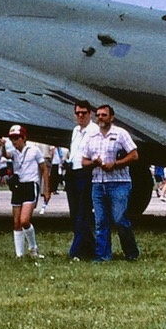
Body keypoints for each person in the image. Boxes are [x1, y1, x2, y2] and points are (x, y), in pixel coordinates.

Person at [81, 104, 140, 262]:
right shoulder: (92, 137)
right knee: (100, 222)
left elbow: (134, 155)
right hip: (98, 183)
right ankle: (102, 256)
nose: (100, 118)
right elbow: (83, 161)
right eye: (98, 115)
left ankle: (131, 252)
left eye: (104, 115)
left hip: (118, 182)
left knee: (119, 219)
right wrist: (94, 162)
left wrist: (116, 164)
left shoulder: (120, 134)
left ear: (111, 117)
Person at [3, 124, 47, 259]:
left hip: (30, 185)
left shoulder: (34, 150)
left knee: (24, 220)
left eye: (17, 138)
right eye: (12, 139)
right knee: (16, 222)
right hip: (18, 186)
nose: (14, 141)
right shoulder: (14, 153)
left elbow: (44, 168)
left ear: (24, 138)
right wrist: (2, 145)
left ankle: (33, 247)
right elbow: (5, 155)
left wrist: (46, 189)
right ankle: (19, 254)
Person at [66, 102, 99, 259]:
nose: (80, 115)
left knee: (83, 213)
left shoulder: (94, 131)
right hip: (72, 172)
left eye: (84, 113)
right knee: (74, 213)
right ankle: (91, 248)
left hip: (86, 173)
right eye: (78, 113)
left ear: (90, 114)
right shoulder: (76, 131)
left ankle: (75, 251)